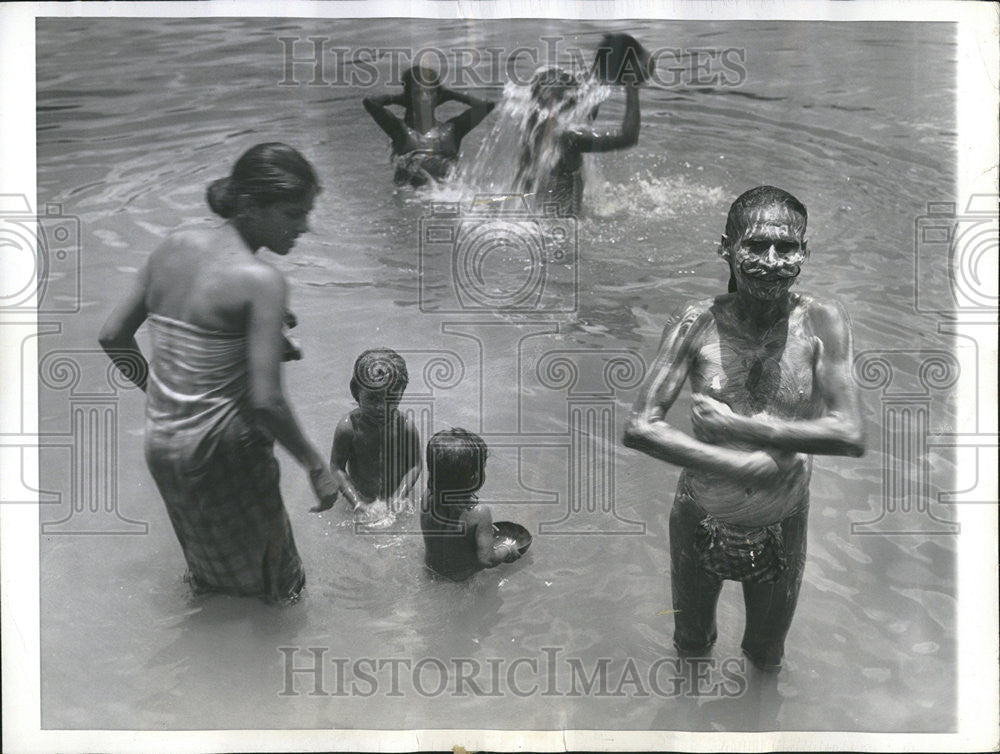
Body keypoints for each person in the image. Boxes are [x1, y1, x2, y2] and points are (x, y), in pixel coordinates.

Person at [623, 186, 865, 671]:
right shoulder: (697, 321)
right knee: (691, 644)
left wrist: (750, 430)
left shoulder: (821, 321)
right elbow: (640, 427)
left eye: (787, 248)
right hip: (701, 513)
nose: (772, 261)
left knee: (766, 652)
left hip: (783, 518)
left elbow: (849, 432)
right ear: (726, 248)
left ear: (805, 252)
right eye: (755, 246)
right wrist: (734, 461)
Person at [98, 142, 340, 603]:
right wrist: (314, 465)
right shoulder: (262, 280)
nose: (304, 227)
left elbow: (113, 337)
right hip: (224, 451)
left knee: (214, 575)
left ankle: (210, 664)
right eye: (293, 214)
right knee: (279, 589)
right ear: (250, 205)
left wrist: (158, 393)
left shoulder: (173, 246)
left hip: (165, 442)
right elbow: (265, 401)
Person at [515, 34, 646, 216]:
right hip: (559, 230)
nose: (575, 93)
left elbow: (587, 102)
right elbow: (629, 137)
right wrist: (633, 86)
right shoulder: (567, 137)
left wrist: (609, 65)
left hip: (542, 221)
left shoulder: (535, 127)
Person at [317, 348, 422, 514]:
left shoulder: (405, 427)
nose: (381, 407)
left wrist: (400, 495)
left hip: (396, 496)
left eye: (391, 399)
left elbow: (415, 465)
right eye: (372, 398)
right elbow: (337, 468)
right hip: (361, 497)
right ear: (356, 392)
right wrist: (356, 502)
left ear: (401, 394)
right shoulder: (348, 428)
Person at [362, 65, 496, 187]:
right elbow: (370, 103)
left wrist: (450, 94)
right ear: (408, 97)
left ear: (438, 96)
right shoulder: (400, 130)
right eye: (417, 93)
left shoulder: (452, 130)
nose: (424, 98)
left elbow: (486, 106)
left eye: (430, 92)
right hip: (412, 203)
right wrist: (398, 99)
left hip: (448, 198)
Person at [420, 428, 521, 581]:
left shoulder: (427, 497)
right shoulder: (480, 514)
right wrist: (507, 550)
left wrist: (478, 531)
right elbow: (487, 559)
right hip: (460, 581)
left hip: (430, 571)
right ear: (474, 477)